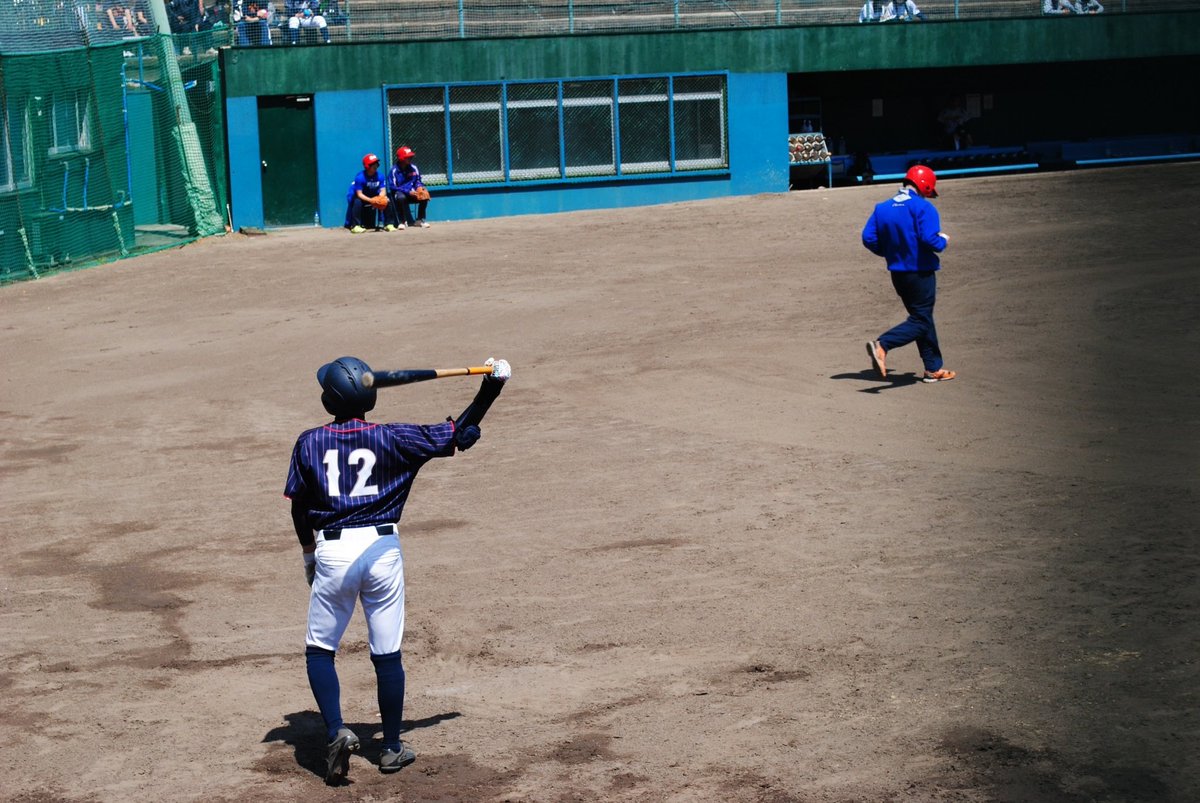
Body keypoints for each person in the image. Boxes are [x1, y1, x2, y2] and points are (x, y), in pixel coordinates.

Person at [286, 355, 511, 784]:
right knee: (386, 653)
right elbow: (457, 434)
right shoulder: (395, 437)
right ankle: (390, 747)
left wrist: (308, 555)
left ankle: (336, 731)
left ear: (328, 398)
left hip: (333, 552)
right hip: (382, 550)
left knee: (320, 650)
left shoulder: (308, 442)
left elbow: (299, 509)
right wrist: (491, 388)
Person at [862, 164, 956, 383]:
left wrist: (889, 252)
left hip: (898, 274)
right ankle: (883, 345)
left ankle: (933, 368)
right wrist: (943, 240)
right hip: (921, 273)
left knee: (922, 317)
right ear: (924, 185)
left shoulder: (882, 208)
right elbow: (929, 239)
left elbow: (868, 238)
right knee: (921, 320)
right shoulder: (923, 208)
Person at [344, 153, 395, 233]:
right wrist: (371, 200)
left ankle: (389, 224)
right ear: (367, 166)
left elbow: (383, 191)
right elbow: (359, 194)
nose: (376, 165)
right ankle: (355, 226)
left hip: (373, 195)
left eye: (377, 163)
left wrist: (380, 198)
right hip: (361, 197)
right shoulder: (360, 177)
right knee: (357, 201)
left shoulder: (380, 176)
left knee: (386, 200)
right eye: (373, 164)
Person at [388, 146, 432, 229]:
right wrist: (407, 191)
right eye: (407, 157)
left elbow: (418, 181)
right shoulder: (394, 170)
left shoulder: (414, 168)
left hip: (413, 193)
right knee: (401, 197)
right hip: (401, 194)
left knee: (424, 196)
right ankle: (402, 221)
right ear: (401, 158)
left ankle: (420, 220)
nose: (410, 158)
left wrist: (419, 188)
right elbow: (392, 186)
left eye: (410, 157)